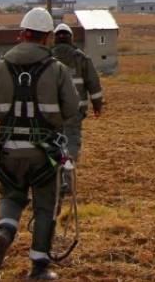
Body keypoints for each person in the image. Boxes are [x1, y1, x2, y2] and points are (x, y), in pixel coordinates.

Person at [0, 7, 80, 280]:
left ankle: (5, 233)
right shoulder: (57, 70)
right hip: (43, 153)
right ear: (47, 38)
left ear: (22, 34)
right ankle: (38, 267)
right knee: (45, 206)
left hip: (9, 149)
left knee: (11, 195)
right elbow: (71, 109)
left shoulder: (0, 67)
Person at [50, 23, 104, 188]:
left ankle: (53, 180)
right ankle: (66, 178)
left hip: (51, 113)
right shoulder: (81, 58)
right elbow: (93, 83)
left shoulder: (47, 58)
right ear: (71, 38)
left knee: (52, 144)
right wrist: (97, 104)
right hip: (74, 111)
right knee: (71, 142)